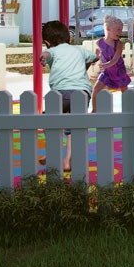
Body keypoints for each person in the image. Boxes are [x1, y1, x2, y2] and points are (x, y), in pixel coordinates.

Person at [39, 20, 99, 172]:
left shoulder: (53, 50)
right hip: (82, 93)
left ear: (47, 42)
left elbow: (47, 54)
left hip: (61, 93)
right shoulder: (79, 50)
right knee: (74, 128)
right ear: (68, 37)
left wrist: (44, 56)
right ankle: (68, 160)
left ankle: (52, 151)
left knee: (47, 121)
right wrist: (85, 66)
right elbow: (94, 57)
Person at [91, 15, 132, 112]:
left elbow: (115, 59)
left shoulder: (119, 44)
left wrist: (105, 65)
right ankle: (94, 109)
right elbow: (98, 54)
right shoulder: (99, 43)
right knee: (96, 89)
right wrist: (94, 60)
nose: (120, 32)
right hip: (107, 72)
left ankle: (129, 108)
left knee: (124, 91)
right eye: (118, 30)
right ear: (108, 29)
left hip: (118, 71)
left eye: (121, 30)